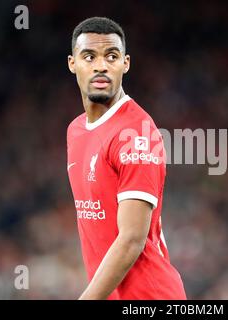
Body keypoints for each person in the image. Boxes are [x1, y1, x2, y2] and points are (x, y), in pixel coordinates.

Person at [66, 17, 187, 300]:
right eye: (89, 56)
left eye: (111, 56)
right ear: (73, 63)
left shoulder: (137, 133)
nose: (101, 66)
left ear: (125, 63)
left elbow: (132, 239)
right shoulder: (75, 130)